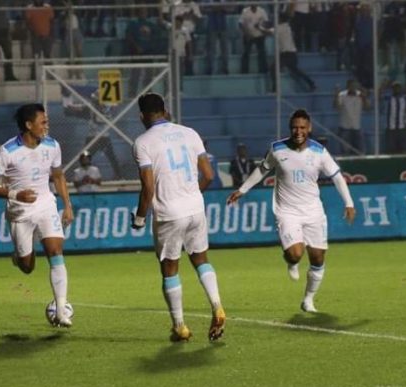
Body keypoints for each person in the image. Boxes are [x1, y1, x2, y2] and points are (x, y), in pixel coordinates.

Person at [227, 109, 355, 312]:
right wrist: (242, 190)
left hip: (313, 211)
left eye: (303, 127)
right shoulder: (277, 149)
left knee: (318, 258)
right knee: (296, 254)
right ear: (290, 128)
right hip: (287, 211)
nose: (299, 131)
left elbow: (337, 177)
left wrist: (349, 203)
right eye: (295, 127)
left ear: (309, 128)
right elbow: (262, 169)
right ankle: (292, 262)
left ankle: (308, 300)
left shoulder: (319, 152)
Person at [131, 93, 226, 342]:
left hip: (169, 212)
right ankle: (217, 305)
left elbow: (148, 188)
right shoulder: (190, 133)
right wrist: (192, 193)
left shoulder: (142, 142)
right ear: (165, 110)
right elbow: (208, 174)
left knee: (170, 269)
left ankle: (180, 326)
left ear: (142, 116)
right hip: (195, 207)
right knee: (201, 260)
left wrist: (140, 218)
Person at [0, 103, 75, 326]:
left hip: (46, 205)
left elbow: (58, 176)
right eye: (42, 122)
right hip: (20, 212)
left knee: (55, 251)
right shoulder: (7, 151)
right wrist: (15, 193)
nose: (47, 125)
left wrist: (67, 204)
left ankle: (61, 309)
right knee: (27, 267)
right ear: (28, 125)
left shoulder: (52, 145)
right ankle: (19, 258)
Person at [334, 79, 368, 155]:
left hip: (357, 127)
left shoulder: (360, 95)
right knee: (345, 152)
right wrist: (336, 96)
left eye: (355, 86)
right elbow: (337, 107)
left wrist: (365, 97)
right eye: (352, 86)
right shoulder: (342, 95)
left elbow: (367, 108)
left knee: (360, 151)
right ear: (347, 86)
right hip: (345, 127)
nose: (353, 87)